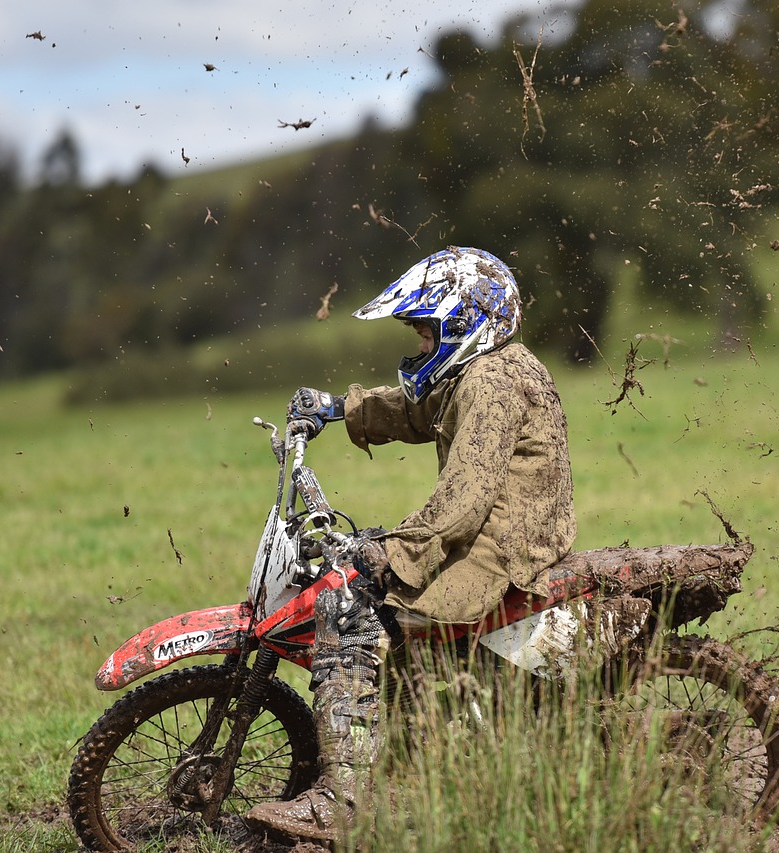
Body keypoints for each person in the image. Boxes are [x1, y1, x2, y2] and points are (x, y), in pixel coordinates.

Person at [243, 246, 576, 843]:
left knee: (347, 610)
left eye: (427, 333)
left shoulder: (495, 384)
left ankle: (339, 805)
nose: (421, 347)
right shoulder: (482, 371)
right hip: (492, 531)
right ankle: (422, 754)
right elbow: (420, 411)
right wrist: (340, 409)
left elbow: (464, 501)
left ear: (464, 325)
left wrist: (395, 554)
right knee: (367, 574)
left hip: (503, 547)